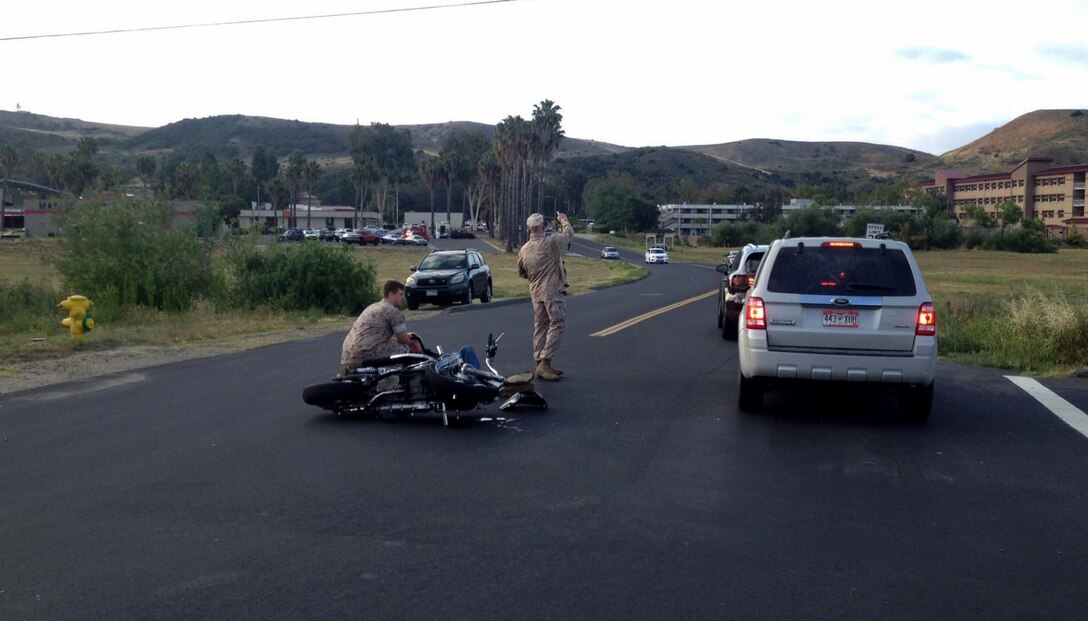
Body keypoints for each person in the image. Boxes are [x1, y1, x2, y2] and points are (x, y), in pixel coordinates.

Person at [517, 211, 575, 381]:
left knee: (540, 326)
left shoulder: (523, 250)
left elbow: (522, 272)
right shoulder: (551, 242)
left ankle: (539, 362)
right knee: (557, 323)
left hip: (536, 292)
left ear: (529, 230)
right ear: (543, 227)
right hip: (552, 291)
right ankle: (545, 361)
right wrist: (564, 220)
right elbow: (569, 235)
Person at [340, 280, 423, 375]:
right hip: (366, 353)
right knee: (406, 350)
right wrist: (412, 343)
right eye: (400, 294)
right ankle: (402, 377)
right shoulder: (392, 311)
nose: (403, 298)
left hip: (347, 357)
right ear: (391, 294)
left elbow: (381, 337)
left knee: (394, 345)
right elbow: (403, 339)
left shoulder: (372, 307)